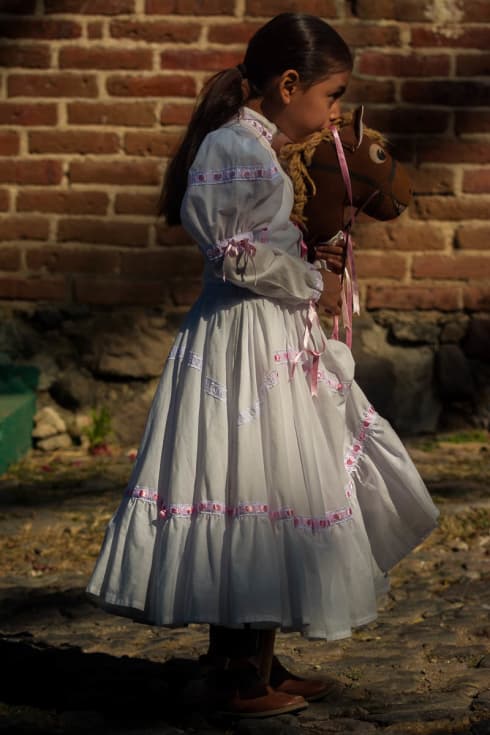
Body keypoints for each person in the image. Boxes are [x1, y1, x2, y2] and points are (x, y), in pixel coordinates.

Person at [87, 13, 439, 718]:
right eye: (332, 96)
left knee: (281, 485)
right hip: (242, 344)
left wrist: (310, 260)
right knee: (251, 479)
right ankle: (233, 676)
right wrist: (313, 282)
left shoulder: (260, 145)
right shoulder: (230, 147)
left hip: (272, 334)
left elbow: (261, 240)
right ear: (288, 84)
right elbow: (232, 253)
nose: (335, 112)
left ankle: (258, 656)